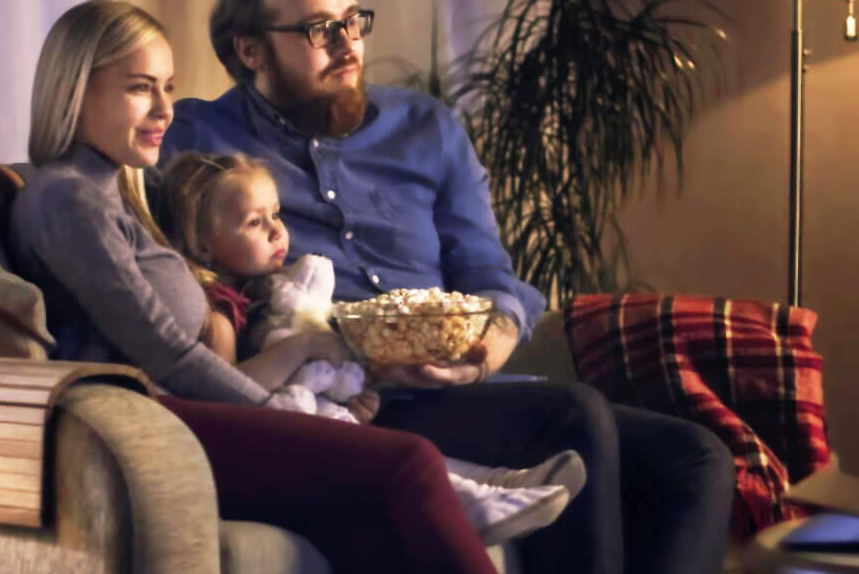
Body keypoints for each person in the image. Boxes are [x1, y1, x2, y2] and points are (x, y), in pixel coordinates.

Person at [0, 0, 735, 574]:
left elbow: (495, 278)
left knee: (694, 458)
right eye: (319, 30)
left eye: (352, 21)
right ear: (251, 51)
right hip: (325, 395)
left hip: (448, 380)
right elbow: (72, 183)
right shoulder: (194, 140)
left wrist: (487, 347)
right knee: (568, 419)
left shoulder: (427, 127)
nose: (348, 44)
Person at [0, 0, 545, 574]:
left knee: (366, 530)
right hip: (145, 427)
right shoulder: (68, 198)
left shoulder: (118, 186)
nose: (165, 112)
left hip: (175, 415)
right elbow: (166, 355)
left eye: (168, 88)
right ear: (74, 90)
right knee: (406, 462)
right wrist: (280, 411)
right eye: (140, 89)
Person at [158, 149, 583, 547]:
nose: (277, 231)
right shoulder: (217, 316)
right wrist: (304, 348)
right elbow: (227, 398)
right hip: (280, 448)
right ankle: (479, 503)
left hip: (314, 417)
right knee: (399, 457)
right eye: (254, 223)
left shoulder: (270, 297)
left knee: (389, 441)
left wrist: (351, 393)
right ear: (203, 244)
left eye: (276, 214)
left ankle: (503, 485)